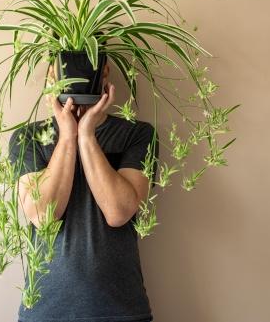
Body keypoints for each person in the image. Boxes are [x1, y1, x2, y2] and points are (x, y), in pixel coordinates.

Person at [8, 55, 159, 322]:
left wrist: (87, 135)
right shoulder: (28, 138)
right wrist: (67, 136)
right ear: (51, 74)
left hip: (121, 311)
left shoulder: (137, 135)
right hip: (45, 312)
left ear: (105, 72)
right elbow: (43, 216)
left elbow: (118, 212)